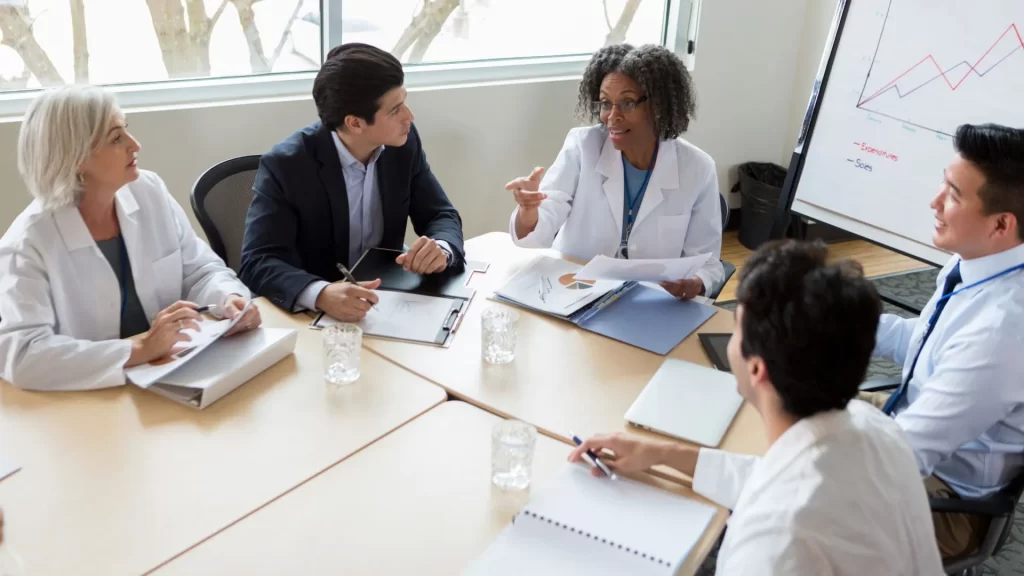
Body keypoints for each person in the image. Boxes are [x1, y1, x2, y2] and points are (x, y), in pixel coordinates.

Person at [571, 240, 943, 575]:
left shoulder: (774, 544)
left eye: (736, 328)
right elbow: (775, 477)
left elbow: (785, 496)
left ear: (755, 368)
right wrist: (661, 453)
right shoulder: (874, 426)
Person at [0, 85, 260, 391]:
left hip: (168, 376)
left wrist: (228, 297)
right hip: (85, 404)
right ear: (76, 158)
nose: (134, 144)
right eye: (116, 138)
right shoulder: (28, 243)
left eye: (126, 130)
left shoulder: (148, 191)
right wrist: (138, 350)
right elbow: (23, 356)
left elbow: (200, 270)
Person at [866, 123, 1024, 560]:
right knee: (788, 406)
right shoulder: (975, 262)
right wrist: (832, 322)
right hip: (910, 422)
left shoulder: (1002, 331)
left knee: (789, 510)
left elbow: (900, 459)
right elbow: (927, 343)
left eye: (953, 194)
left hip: (947, 501)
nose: (934, 201)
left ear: (1000, 225)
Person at [240, 43, 465, 322]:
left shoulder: (402, 145)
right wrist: (320, 293)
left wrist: (441, 248)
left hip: (385, 301)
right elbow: (258, 260)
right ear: (355, 123)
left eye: (405, 101)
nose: (409, 116)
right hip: (314, 315)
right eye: (395, 110)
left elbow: (439, 213)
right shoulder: (287, 165)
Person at [505, 44, 723, 299]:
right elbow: (536, 234)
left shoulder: (697, 168)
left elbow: (708, 264)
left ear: (660, 105)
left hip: (648, 302)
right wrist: (529, 210)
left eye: (628, 103)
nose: (611, 116)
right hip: (575, 292)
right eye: (606, 103)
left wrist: (696, 283)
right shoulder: (583, 146)